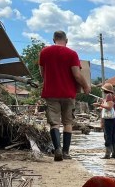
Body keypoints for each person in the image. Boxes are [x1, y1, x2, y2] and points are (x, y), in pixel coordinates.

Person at [39, 31, 91, 161]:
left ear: (53, 39)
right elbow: (77, 75)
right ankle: (66, 152)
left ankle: (57, 150)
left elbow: (42, 73)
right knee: (68, 122)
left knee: (54, 123)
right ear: (66, 40)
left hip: (50, 93)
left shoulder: (44, 52)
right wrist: (86, 86)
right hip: (68, 94)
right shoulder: (72, 54)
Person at [97, 84, 115, 159]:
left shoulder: (109, 96)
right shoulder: (114, 96)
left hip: (109, 119)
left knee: (107, 136)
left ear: (105, 90)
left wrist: (100, 105)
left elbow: (109, 107)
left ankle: (107, 154)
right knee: (113, 136)